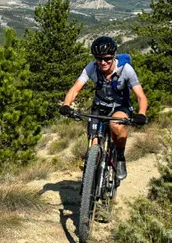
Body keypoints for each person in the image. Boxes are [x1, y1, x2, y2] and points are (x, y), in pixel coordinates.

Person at [59, 36, 148, 181]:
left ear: (113, 56)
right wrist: (66, 105)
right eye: (99, 59)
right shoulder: (92, 68)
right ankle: (91, 182)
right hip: (99, 106)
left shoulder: (126, 69)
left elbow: (141, 96)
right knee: (93, 143)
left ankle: (120, 158)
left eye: (107, 58)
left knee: (115, 125)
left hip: (120, 106)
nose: (103, 62)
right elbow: (75, 89)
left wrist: (141, 113)